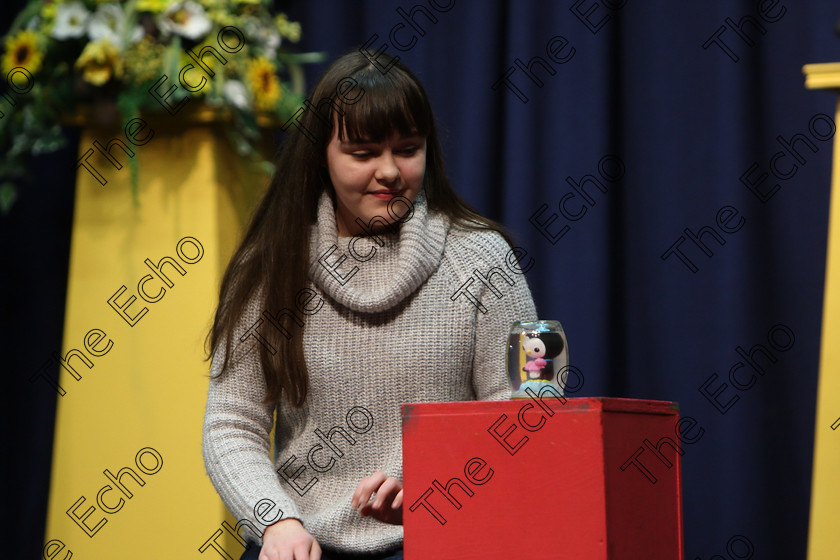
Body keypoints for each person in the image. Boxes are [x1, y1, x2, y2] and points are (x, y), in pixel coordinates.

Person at [202, 49, 538, 560]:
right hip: (305, 543)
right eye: (362, 154)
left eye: (408, 148)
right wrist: (276, 522)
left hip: (450, 535)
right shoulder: (271, 265)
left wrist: (442, 481)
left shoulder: (484, 257)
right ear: (321, 155)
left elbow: (529, 403)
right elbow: (232, 423)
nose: (389, 171)